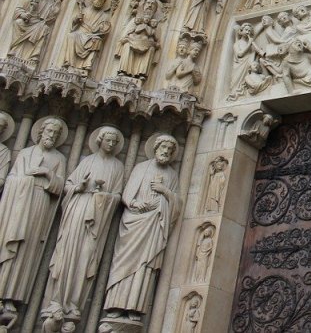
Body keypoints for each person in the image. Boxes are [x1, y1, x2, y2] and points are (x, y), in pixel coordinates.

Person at [44, 126, 126, 323]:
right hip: (77, 212)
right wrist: (79, 187)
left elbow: (117, 197)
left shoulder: (117, 167)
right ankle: (55, 302)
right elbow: (68, 186)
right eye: (108, 140)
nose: (112, 144)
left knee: (86, 257)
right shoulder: (87, 161)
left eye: (115, 141)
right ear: (99, 140)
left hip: (97, 220)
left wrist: (102, 196)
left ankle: (74, 304)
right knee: (65, 254)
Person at [105, 134, 180, 318]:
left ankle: (135, 307)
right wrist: (134, 204)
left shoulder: (172, 174)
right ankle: (115, 304)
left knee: (145, 266)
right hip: (134, 221)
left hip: (155, 224)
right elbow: (127, 194)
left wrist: (165, 192)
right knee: (124, 262)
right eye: (163, 148)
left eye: (170, 150)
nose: (166, 152)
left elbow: (177, 203)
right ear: (156, 148)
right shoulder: (141, 168)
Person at [0, 118, 67, 314]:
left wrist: (47, 174)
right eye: (49, 131)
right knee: (8, 242)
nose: (52, 136)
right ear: (40, 132)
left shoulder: (59, 159)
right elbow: (10, 180)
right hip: (17, 204)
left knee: (27, 251)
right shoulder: (25, 153)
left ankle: (11, 296)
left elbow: (60, 187)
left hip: (40, 204)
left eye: (56, 133)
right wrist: (28, 179)